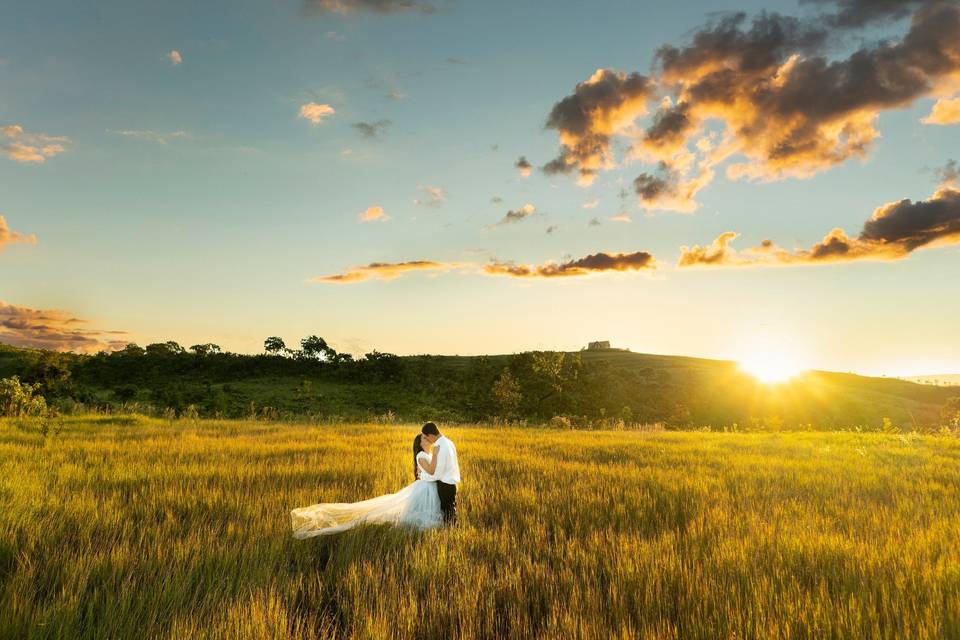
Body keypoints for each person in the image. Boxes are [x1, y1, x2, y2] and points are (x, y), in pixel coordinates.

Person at [290, 433, 442, 538]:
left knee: (425, 511)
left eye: (427, 436)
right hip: (424, 488)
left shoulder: (427, 454)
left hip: (428, 487)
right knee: (417, 516)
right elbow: (431, 470)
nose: (427, 438)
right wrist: (436, 454)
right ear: (420, 443)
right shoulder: (422, 455)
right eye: (423, 437)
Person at [419, 422, 460, 525]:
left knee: (447, 514)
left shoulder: (439, 446)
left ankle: (451, 533)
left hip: (445, 485)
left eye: (426, 437)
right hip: (452, 483)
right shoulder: (449, 442)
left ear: (431, 435)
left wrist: (422, 476)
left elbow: (437, 473)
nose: (428, 440)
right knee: (451, 511)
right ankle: (453, 532)